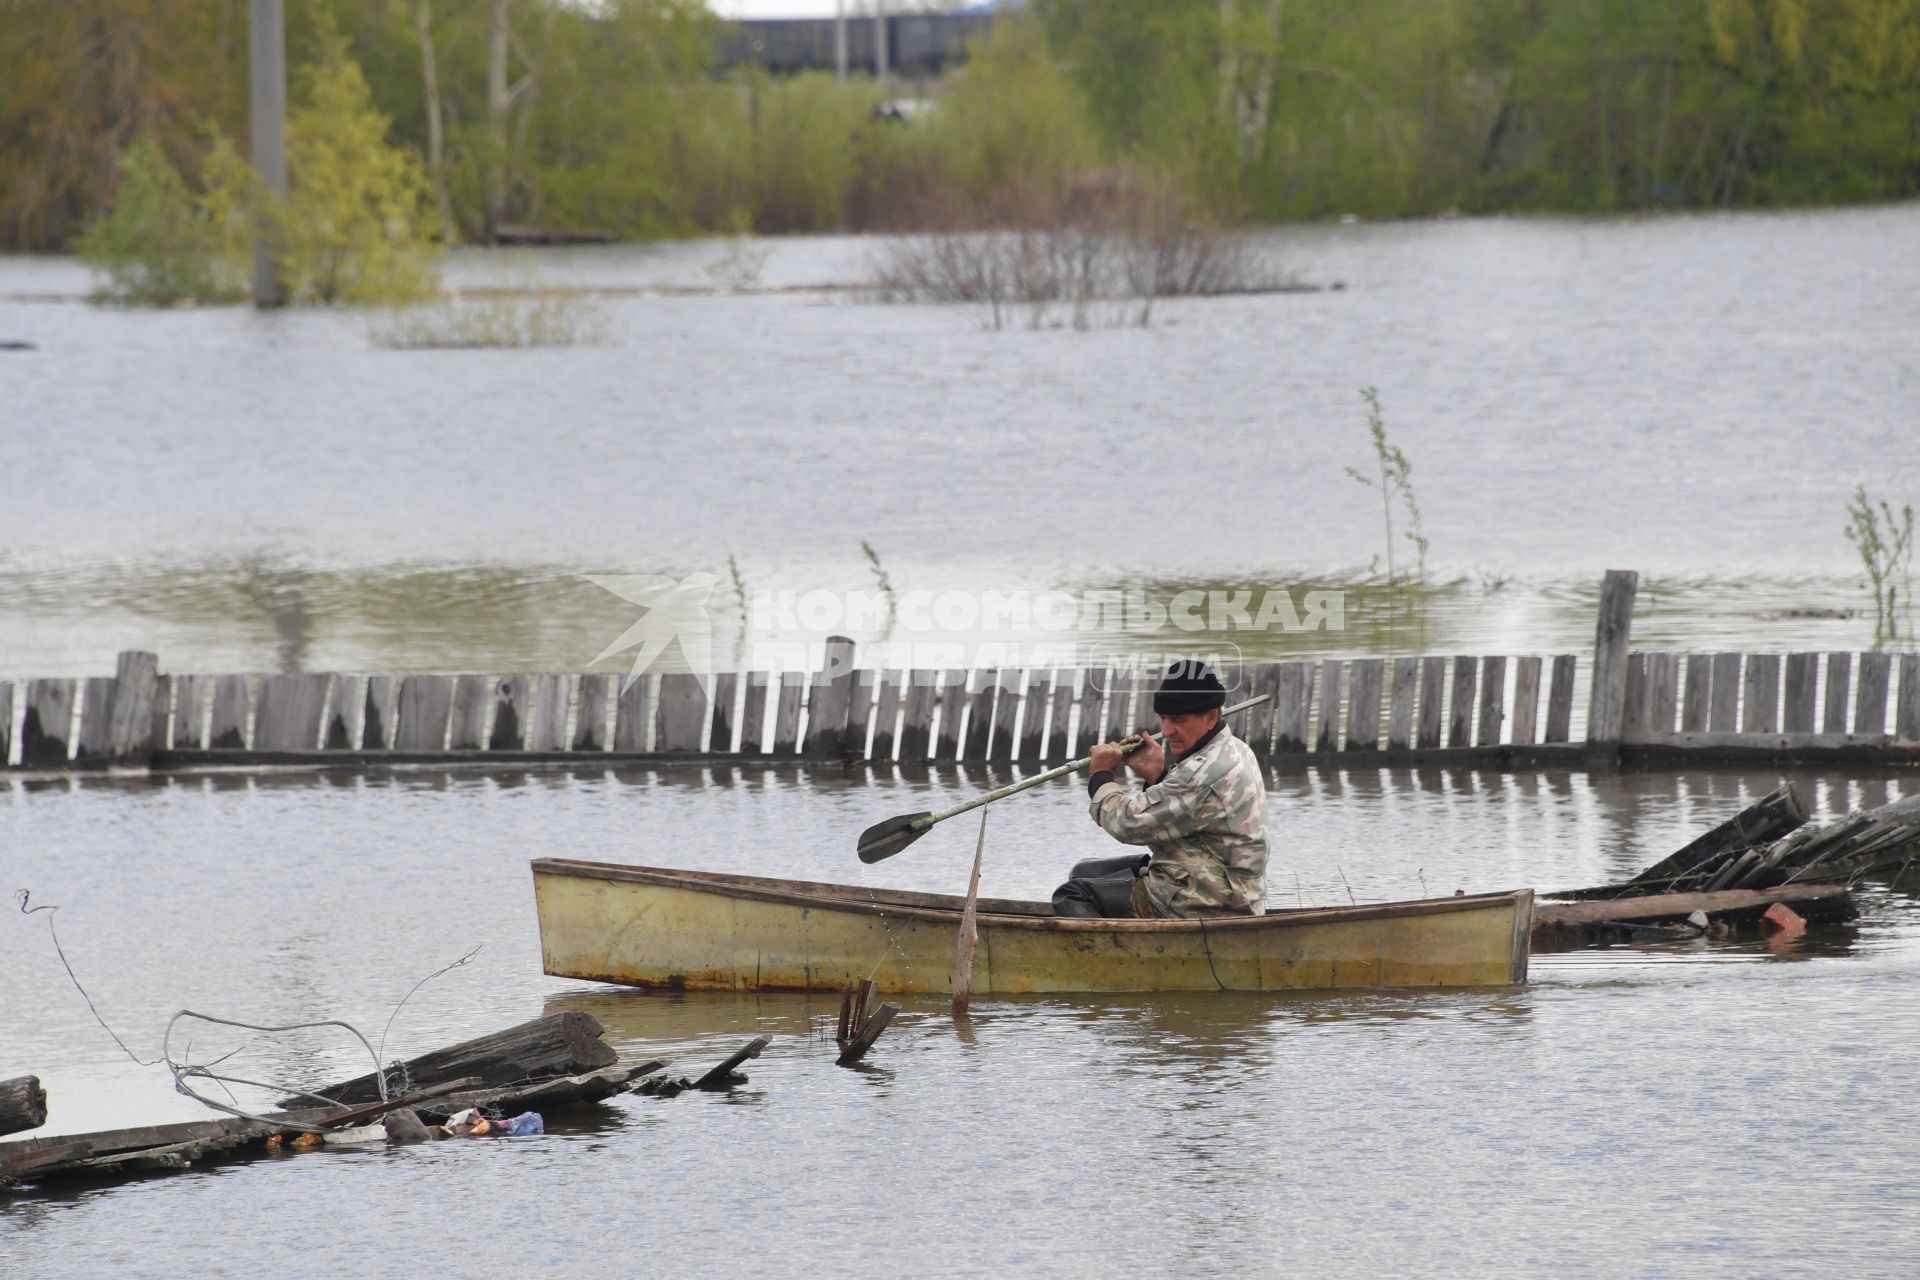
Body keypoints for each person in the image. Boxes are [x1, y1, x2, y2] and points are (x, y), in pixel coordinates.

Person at [1051, 660, 1270, 919]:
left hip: (1209, 901)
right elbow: (1188, 816)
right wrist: (1157, 775)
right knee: (1083, 870)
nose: (1166, 731)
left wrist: (1101, 776)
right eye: (1163, 719)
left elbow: (1127, 824)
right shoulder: (1235, 748)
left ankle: (1113, 958)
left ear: (1211, 717)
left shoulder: (1201, 772)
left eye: (1178, 720)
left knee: (1072, 893)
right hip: (1216, 879)